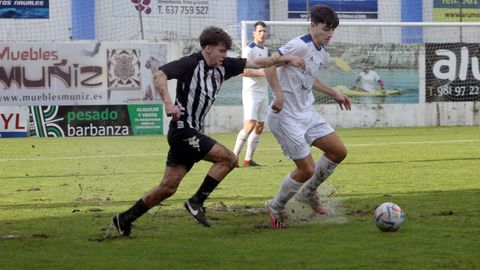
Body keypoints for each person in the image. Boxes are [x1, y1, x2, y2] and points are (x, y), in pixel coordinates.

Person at [112, 26, 304, 236]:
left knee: (168, 187)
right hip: (182, 131)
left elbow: (259, 62)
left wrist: (287, 58)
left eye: (226, 52)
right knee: (229, 159)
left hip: (190, 132)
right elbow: (160, 75)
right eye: (221, 51)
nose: (225, 56)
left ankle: (125, 219)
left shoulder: (225, 66)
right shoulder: (190, 63)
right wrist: (168, 103)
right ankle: (196, 202)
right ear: (208, 49)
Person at [263, 5, 352, 229]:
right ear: (312, 25)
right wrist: (279, 94)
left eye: (333, 30)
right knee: (306, 169)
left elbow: (309, 78)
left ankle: (308, 194)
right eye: (325, 29)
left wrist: (335, 94)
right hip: (285, 116)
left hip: (306, 113)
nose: (330, 34)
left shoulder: (322, 52)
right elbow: (269, 65)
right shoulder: (299, 45)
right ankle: (275, 206)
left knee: (338, 151)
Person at [233, 21, 269, 167]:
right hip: (251, 92)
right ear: (253, 33)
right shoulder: (249, 49)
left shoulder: (265, 49)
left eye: (264, 31)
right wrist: (260, 73)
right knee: (249, 125)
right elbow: (242, 71)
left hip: (263, 92)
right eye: (259, 31)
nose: (262, 34)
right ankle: (233, 158)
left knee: (260, 125)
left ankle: (248, 160)